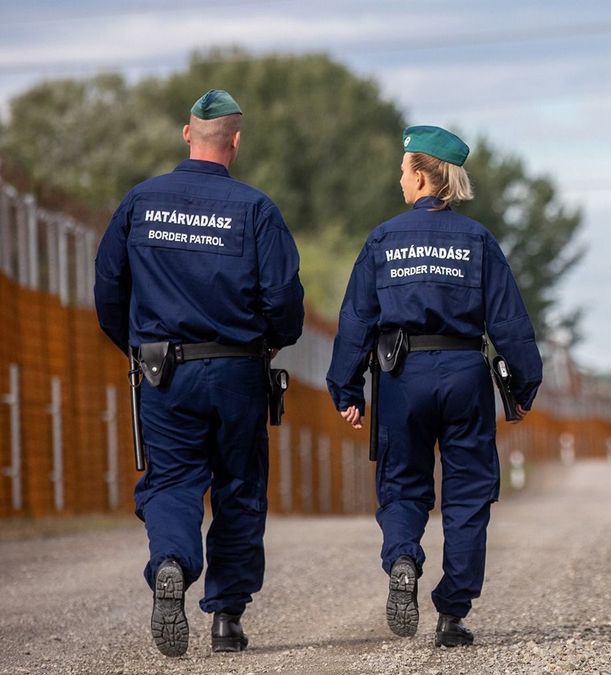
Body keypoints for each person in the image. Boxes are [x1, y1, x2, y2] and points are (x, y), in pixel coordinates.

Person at [94, 89, 305, 657]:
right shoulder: (257, 209)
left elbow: (108, 290)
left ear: (188, 135)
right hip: (238, 372)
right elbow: (284, 299)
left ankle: (170, 563)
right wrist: (271, 341)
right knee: (239, 487)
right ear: (235, 143)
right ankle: (227, 619)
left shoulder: (140, 202)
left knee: (172, 481)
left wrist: (138, 349)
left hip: (164, 371)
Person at [326, 125, 542, 647]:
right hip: (466, 374)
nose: (400, 180)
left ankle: (403, 556)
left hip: (403, 376)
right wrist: (526, 383)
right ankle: (452, 614)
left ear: (423, 176)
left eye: (403, 170)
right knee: (467, 493)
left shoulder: (383, 238)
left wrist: (346, 388)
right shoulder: (479, 240)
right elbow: (509, 322)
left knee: (403, 483)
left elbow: (356, 320)